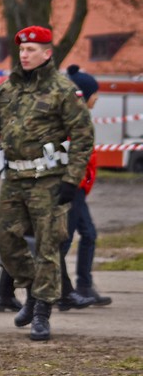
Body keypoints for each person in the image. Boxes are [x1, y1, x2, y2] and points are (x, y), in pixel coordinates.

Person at [0, 26, 94, 342]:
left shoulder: (63, 91)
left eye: (31, 49)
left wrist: (71, 179)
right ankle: (34, 290)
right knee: (3, 236)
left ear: (47, 53)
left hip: (48, 181)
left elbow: (83, 136)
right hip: (14, 178)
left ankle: (41, 314)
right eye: (21, 50)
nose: (24, 54)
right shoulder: (7, 89)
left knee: (48, 245)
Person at [58, 65, 112, 309]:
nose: (98, 97)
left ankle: (83, 284)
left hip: (80, 188)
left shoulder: (81, 117)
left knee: (88, 234)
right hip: (72, 187)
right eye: (94, 92)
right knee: (64, 239)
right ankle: (62, 290)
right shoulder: (70, 119)